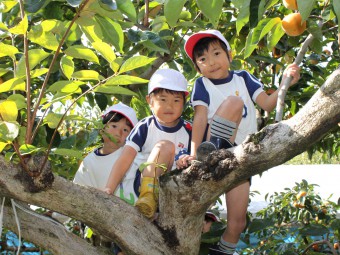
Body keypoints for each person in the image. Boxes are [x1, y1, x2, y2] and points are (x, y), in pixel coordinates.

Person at [184, 29, 300, 255]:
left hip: (239, 157)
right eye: (203, 59)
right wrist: (194, 152)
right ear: (198, 68)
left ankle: (223, 252)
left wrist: (287, 82)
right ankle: (213, 152)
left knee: (238, 223)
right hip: (214, 149)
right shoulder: (202, 85)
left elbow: (267, 103)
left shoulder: (243, 78)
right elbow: (199, 118)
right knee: (234, 103)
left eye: (217, 53)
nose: (211, 62)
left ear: (229, 55)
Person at [104, 69, 192, 220]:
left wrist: (185, 159)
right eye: (163, 100)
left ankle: (158, 207)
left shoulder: (189, 130)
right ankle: (148, 196)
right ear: (149, 101)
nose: (169, 106)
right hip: (141, 185)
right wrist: (109, 188)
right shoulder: (145, 126)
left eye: (176, 100)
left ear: (184, 102)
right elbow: (125, 158)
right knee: (165, 146)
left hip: (171, 190)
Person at [73, 102, 138, 254]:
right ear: (102, 129)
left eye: (126, 130)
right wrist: (56, 216)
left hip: (132, 218)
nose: (119, 133)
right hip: (106, 222)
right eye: (114, 126)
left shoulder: (131, 157)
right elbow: (77, 188)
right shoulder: (90, 160)